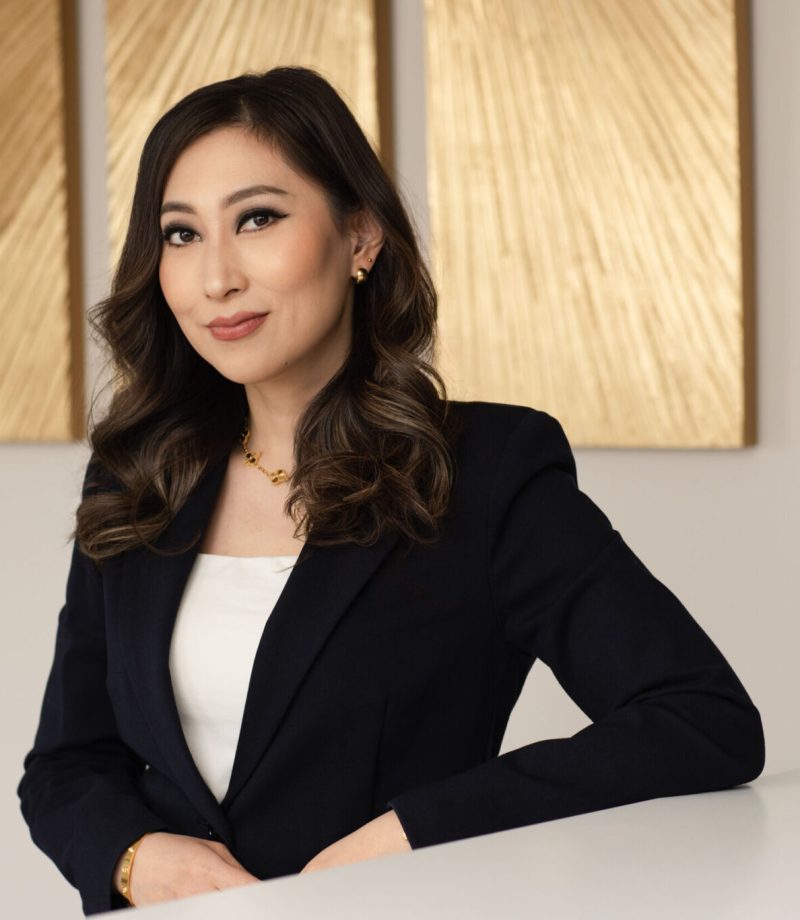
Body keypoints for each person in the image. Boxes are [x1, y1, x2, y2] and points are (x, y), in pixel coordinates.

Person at [18, 66, 764, 916]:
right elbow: (66, 765)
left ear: (361, 236)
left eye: (257, 219)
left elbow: (701, 718)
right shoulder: (141, 474)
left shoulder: (484, 471)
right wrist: (133, 858)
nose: (215, 277)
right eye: (181, 234)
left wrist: (413, 834)